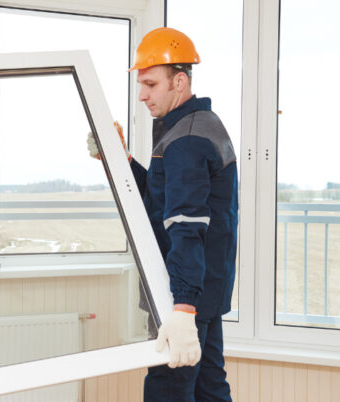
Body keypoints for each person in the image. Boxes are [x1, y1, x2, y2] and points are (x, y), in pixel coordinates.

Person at [88, 27, 237, 401]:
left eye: (151, 84)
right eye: (141, 84)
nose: (142, 95)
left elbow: (187, 228)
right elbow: (158, 201)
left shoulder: (185, 140)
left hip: (185, 297)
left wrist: (183, 308)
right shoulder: (194, 128)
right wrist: (118, 160)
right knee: (208, 388)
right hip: (203, 292)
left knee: (167, 392)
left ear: (180, 81)